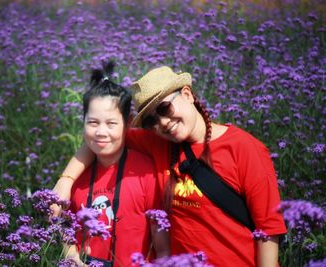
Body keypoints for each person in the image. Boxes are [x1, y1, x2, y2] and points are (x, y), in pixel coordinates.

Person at [53, 66, 287, 266]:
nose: (163, 123)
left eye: (165, 108)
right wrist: (66, 181)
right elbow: (103, 137)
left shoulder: (244, 148)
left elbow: (269, 229)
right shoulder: (161, 143)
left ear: (187, 94)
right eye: (151, 120)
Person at [51, 62, 169, 267]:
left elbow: (162, 246)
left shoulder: (145, 172)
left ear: (128, 122)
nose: (101, 132)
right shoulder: (75, 175)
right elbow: (62, 223)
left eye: (111, 123)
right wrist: (71, 256)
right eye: (93, 122)